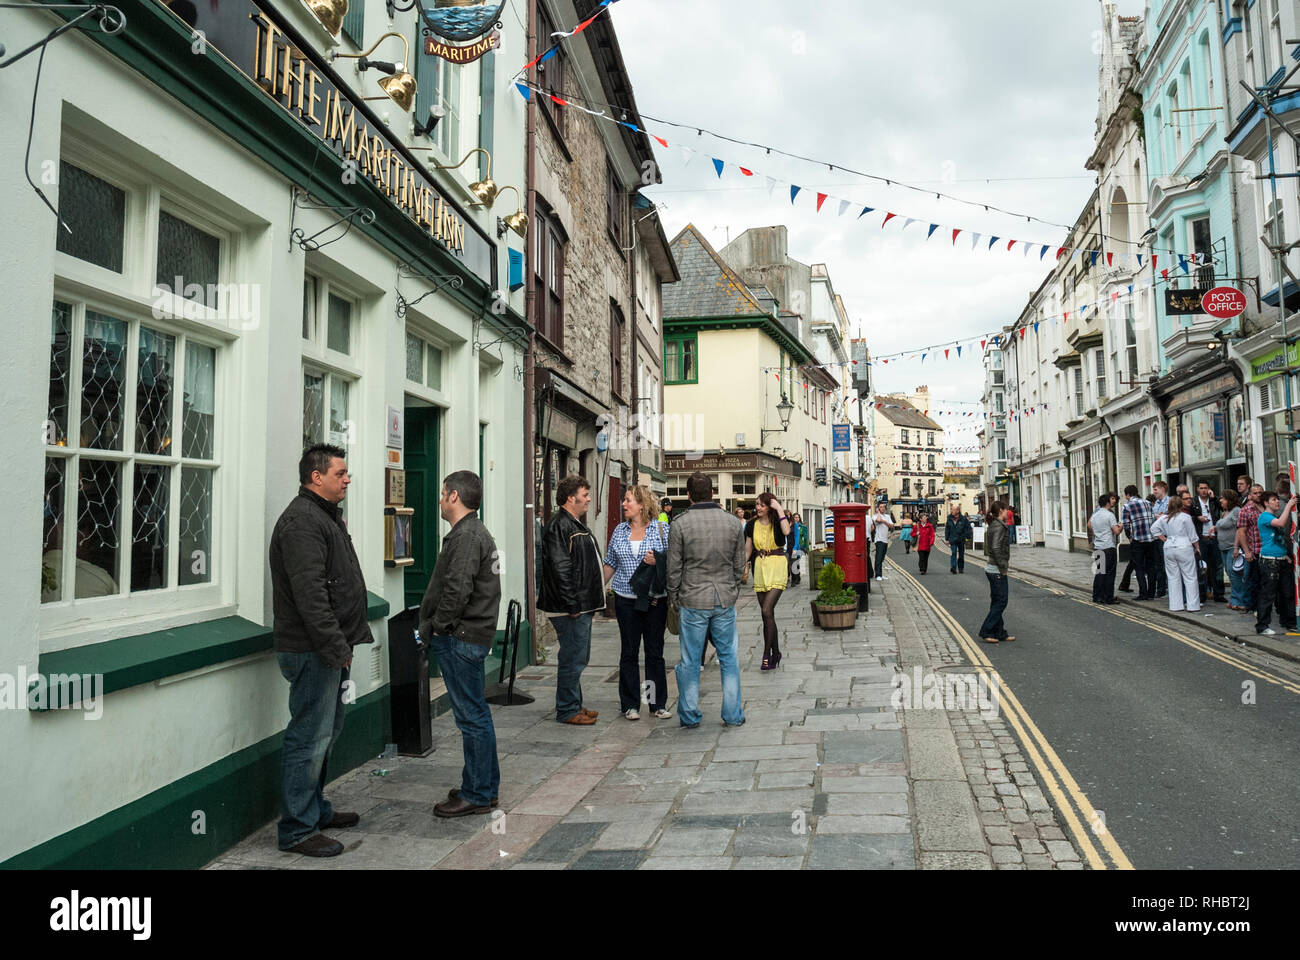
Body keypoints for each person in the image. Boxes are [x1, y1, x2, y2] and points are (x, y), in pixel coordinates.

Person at [268, 444, 373, 857]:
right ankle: (297, 830)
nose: (348, 479)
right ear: (317, 477)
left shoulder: (324, 516)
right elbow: (310, 595)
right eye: (341, 473)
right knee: (308, 738)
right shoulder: (301, 523)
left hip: (329, 647)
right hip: (312, 649)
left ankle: (315, 810)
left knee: (324, 734)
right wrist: (333, 645)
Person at [420, 471, 503, 818]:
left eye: (442, 494)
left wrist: (439, 628)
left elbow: (457, 590)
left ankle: (478, 793)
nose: (439, 499)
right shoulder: (470, 533)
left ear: (454, 496)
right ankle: (482, 785)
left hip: (462, 639)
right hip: (468, 637)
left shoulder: (468, 536)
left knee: (472, 717)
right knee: (475, 715)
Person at [666, 472, 746, 728]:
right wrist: (731, 588)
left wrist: (674, 596)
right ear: (712, 493)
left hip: (692, 598)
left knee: (690, 660)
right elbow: (739, 565)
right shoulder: (733, 523)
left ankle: (689, 714)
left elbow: (673, 568)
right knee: (729, 658)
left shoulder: (680, 524)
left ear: (688, 495)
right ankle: (733, 714)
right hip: (723, 598)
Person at [538, 475, 606, 725]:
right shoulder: (560, 525)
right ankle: (567, 709)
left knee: (578, 656)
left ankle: (574, 703)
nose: (588, 499)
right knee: (573, 658)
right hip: (570, 608)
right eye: (585, 495)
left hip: (579, 605)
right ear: (570, 498)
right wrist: (572, 604)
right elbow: (560, 567)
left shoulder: (573, 523)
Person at [601, 485, 672, 722]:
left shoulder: (662, 530)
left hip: (654, 601)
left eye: (628, 500)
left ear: (642, 505)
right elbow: (610, 562)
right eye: (623, 500)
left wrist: (658, 560)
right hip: (625, 600)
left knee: (654, 652)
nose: (623, 504)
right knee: (629, 652)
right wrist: (594, 590)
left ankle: (656, 704)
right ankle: (630, 704)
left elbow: (674, 562)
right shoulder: (619, 531)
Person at [745, 491, 793, 670]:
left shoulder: (778, 523)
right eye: (757, 504)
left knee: (767, 610)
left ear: (770, 507)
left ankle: (766, 654)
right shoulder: (750, 525)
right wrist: (740, 566)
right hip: (760, 569)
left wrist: (780, 509)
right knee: (767, 615)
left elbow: (787, 531)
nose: (758, 507)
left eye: (762, 505)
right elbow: (748, 551)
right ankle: (776, 652)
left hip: (778, 566)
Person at [1255, 490, 1298, 636]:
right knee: (1268, 594)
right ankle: (1262, 625)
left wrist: (1285, 555)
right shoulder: (1264, 517)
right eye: (1273, 500)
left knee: (1287, 592)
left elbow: (1280, 539)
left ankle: (1289, 622)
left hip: (1281, 559)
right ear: (1266, 503)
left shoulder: (1273, 515)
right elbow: (1280, 523)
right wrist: (1289, 506)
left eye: (1277, 500)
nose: (1277, 502)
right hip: (1269, 561)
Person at [1152, 494, 1200, 613]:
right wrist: (1197, 548)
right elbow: (1192, 536)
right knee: (1190, 576)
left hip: (1169, 547)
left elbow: (1153, 529)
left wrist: (1164, 538)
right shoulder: (1185, 517)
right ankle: (1192, 605)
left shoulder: (1164, 518)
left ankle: (1175, 605)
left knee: (1173, 578)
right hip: (1184, 546)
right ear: (1181, 505)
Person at [979, 501, 1014, 643]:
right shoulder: (999, 527)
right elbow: (996, 548)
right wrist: (1003, 567)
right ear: (1001, 511)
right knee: (1001, 601)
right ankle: (986, 631)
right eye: (1006, 510)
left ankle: (1000, 633)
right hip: (996, 569)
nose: (1007, 513)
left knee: (996, 601)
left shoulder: (994, 525)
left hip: (992, 568)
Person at [1121, 485, 1157, 601]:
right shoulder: (1147, 503)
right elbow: (1153, 519)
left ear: (1128, 495)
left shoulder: (1127, 506)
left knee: (1139, 567)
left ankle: (1143, 593)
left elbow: (1126, 524)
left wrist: (1129, 537)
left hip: (1138, 540)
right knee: (1151, 566)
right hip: (1151, 539)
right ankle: (1151, 592)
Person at [1193, 481, 1224, 603]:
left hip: (1214, 537)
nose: (1204, 490)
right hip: (1202, 538)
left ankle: (1219, 594)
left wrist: (1214, 498)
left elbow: (1223, 508)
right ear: (1197, 489)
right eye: (1201, 488)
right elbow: (1190, 516)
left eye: (1206, 488)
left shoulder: (1213, 501)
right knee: (1202, 568)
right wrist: (1197, 518)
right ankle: (1202, 594)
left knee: (1217, 567)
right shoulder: (1194, 502)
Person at [1235, 483, 1265, 612]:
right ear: (1250, 495)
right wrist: (1246, 551)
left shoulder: (1268, 506)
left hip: (1269, 550)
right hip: (1255, 550)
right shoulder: (1246, 510)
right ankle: (1253, 607)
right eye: (1255, 493)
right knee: (1254, 581)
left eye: (1260, 492)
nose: (1258, 495)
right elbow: (1241, 531)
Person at [1089, 493, 1122, 604]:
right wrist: (1121, 526)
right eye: (1112, 499)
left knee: (1100, 572)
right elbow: (1116, 531)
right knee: (1109, 574)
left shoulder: (1095, 515)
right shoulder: (1109, 515)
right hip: (1108, 547)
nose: (1114, 502)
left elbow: (1090, 525)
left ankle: (1097, 596)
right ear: (1107, 502)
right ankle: (1108, 597)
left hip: (1098, 546)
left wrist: (1098, 533)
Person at [1217, 490, 1246, 612]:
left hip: (1231, 548)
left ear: (1229, 499)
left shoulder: (1236, 511)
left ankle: (1239, 600)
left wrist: (1236, 547)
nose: (1220, 500)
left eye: (1222, 498)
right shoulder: (1225, 512)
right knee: (1230, 573)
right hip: (1223, 547)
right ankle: (1234, 598)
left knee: (1234, 575)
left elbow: (1240, 530)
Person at [871, 503, 896, 581]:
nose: (882, 508)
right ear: (878, 508)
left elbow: (892, 526)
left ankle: (880, 575)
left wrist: (884, 521)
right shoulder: (875, 516)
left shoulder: (887, 516)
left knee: (882, 558)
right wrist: (878, 513)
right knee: (878, 557)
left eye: (883, 507)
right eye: (880, 507)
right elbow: (878, 520)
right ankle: (878, 574)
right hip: (879, 539)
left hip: (885, 540)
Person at [945, 504, 972, 574]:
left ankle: (960, 568)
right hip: (952, 539)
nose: (952, 511)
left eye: (953, 510)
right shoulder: (949, 518)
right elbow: (947, 529)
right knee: (953, 552)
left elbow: (968, 528)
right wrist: (947, 539)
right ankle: (953, 567)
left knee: (961, 554)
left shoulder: (963, 519)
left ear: (958, 510)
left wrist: (967, 536)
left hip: (961, 539)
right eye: (951, 509)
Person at [787, 514, 807, 587]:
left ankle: (796, 578)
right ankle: (793, 578)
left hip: (798, 547)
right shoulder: (785, 526)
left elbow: (804, 538)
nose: (796, 518)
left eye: (797, 517)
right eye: (795, 517)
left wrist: (806, 548)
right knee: (791, 564)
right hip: (789, 547)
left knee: (796, 563)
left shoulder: (801, 526)